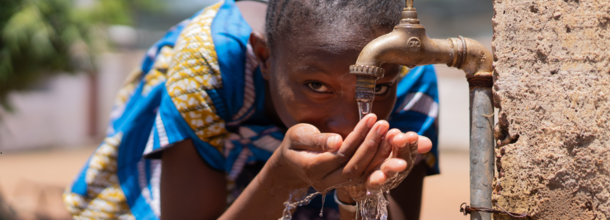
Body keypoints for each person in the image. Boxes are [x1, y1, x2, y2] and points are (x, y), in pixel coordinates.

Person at [62, 0, 440, 219]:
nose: (345, 126)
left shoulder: (406, 75)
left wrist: (355, 195)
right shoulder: (210, 60)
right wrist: (279, 177)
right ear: (263, 55)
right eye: (316, 86)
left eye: (379, 88)